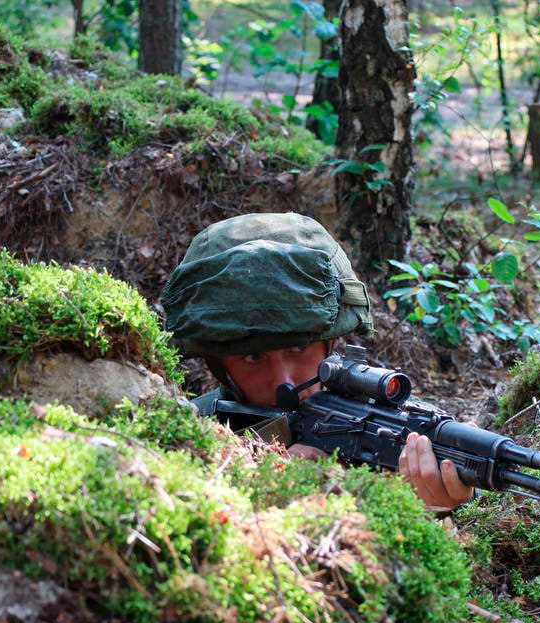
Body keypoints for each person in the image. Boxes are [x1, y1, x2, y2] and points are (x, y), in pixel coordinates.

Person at [160, 212, 473, 511]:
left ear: (330, 344)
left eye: (298, 349)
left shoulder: (397, 429)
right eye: (253, 357)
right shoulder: (190, 434)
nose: (285, 381)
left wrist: (437, 508)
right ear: (219, 366)